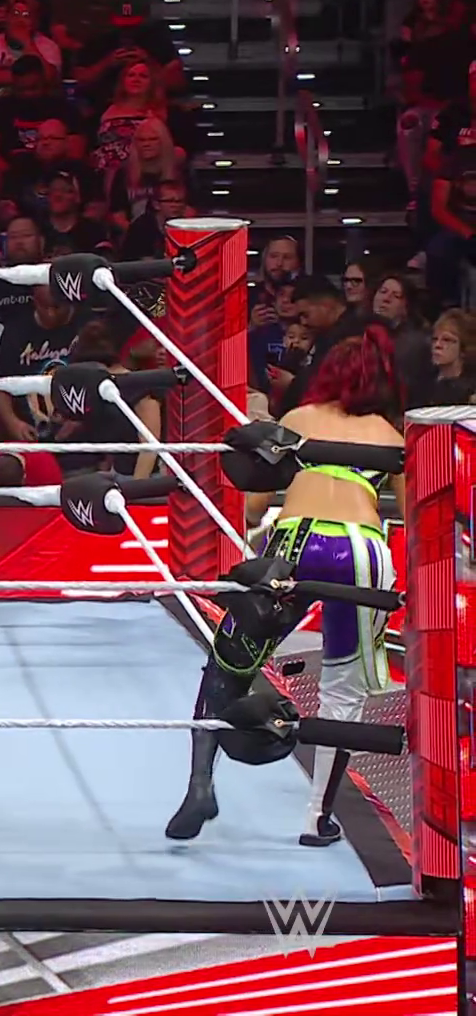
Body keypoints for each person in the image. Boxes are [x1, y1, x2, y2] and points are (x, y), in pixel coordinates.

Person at [166, 325, 405, 846]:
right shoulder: (391, 436)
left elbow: (255, 504)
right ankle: (318, 819)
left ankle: (200, 786)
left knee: (228, 664)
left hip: (294, 545)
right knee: (342, 689)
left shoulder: (297, 421)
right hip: (360, 552)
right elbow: (410, 513)